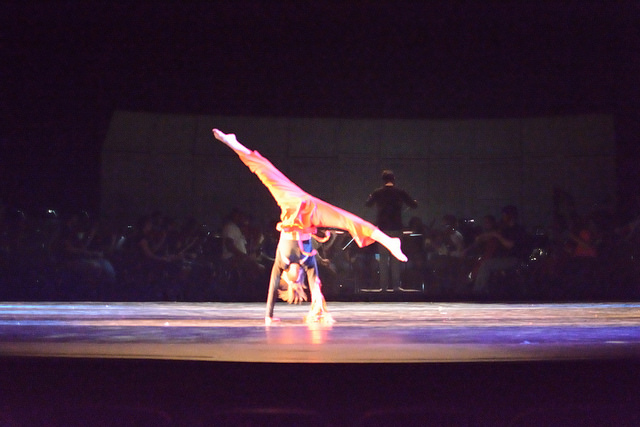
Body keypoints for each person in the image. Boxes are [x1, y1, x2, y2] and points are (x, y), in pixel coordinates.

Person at [212, 129, 408, 325]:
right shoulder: (308, 262)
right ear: (299, 280)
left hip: (292, 205)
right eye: (299, 278)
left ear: (288, 277)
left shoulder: (281, 262)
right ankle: (389, 241)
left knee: (265, 171)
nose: (296, 274)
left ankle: (233, 143)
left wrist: (268, 317)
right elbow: (315, 287)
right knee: (347, 220)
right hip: (312, 214)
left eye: (292, 276)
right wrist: (318, 310)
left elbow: (272, 288)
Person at [366, 169, 417, 292]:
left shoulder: (378, 192)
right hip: (396, 227)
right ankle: (395, 286)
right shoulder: (400, 192)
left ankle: (383, 286)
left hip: (382, 229)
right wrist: (413, 202)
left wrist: (370, 197)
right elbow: (413, 205)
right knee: (395, 257)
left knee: (383, 258)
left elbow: (368, 204)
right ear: (393, 179)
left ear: (383, 180)